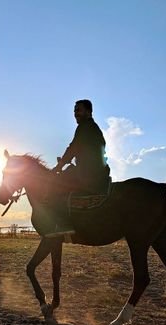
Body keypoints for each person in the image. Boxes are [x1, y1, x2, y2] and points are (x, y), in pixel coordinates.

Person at [45, 99, 111, 238]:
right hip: (95, 169)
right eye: (74, 111)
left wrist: (58, 166)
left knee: (55, 186)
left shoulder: (85, 127)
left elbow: (73, 147)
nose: (76, 114)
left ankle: (64, 224)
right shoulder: (92, 127)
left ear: (88, 111)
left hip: (89, 171)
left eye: (78, 110)